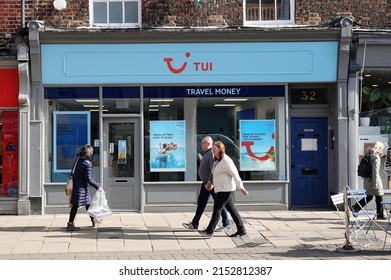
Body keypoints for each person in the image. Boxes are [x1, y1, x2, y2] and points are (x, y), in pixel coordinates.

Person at [199, 141, 249, 238]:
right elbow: (214, 174)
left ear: (220, 150)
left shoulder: (226, 161)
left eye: (215, 148)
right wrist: (211, 182)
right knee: (232, 209)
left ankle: (210, 230)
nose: (213, 150)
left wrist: (241, 187)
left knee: (217, 209)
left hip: (226, 189)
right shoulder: (217, 160)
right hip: (221, 188)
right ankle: (241, 229)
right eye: (212, 148)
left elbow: (235, 174)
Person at [183, 136, 231, 231]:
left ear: (208, 143)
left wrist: (210, 182)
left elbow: (214, 169)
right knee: (201, 203)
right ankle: (195, 223)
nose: (201, 145)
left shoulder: (211, 154)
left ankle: (226, 224)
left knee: (219, 205)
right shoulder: (207, 154)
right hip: (206, 183)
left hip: (211, 184)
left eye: (202, 143)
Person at [67, 144, 103, 231]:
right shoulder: (87, 163)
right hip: (80, 188)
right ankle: (70, 224)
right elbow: (88, 179)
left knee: (88, 204)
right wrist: (98, 186)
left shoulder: (78, 160)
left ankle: (93, 220)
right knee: (76, 205)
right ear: (89, 153)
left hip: (77, 185)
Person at [352, 141, 385, 219]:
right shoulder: (376, 157)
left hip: (367, 180)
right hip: (373, 180)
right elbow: (375, 171)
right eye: (382, 149)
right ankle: (379, 215)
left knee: (370, 196)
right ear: (379, 148)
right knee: (379, 196)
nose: (382, 151)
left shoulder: (368, 154)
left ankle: (356, 207)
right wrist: (375, 184)